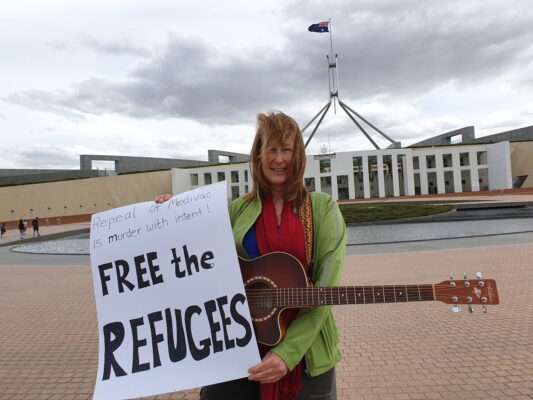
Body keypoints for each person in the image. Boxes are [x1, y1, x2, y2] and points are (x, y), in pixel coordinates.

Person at [156, 111, 346, 400]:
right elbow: (199, 257)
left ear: (299, 157)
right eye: (271, 149)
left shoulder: (322, 208)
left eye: (286, 150)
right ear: (258, 155)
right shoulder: (237, 211)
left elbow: (324, 291)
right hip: (238, 349)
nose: (278, 159)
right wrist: (168, 216)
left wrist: (287, 353)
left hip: (305, 355)